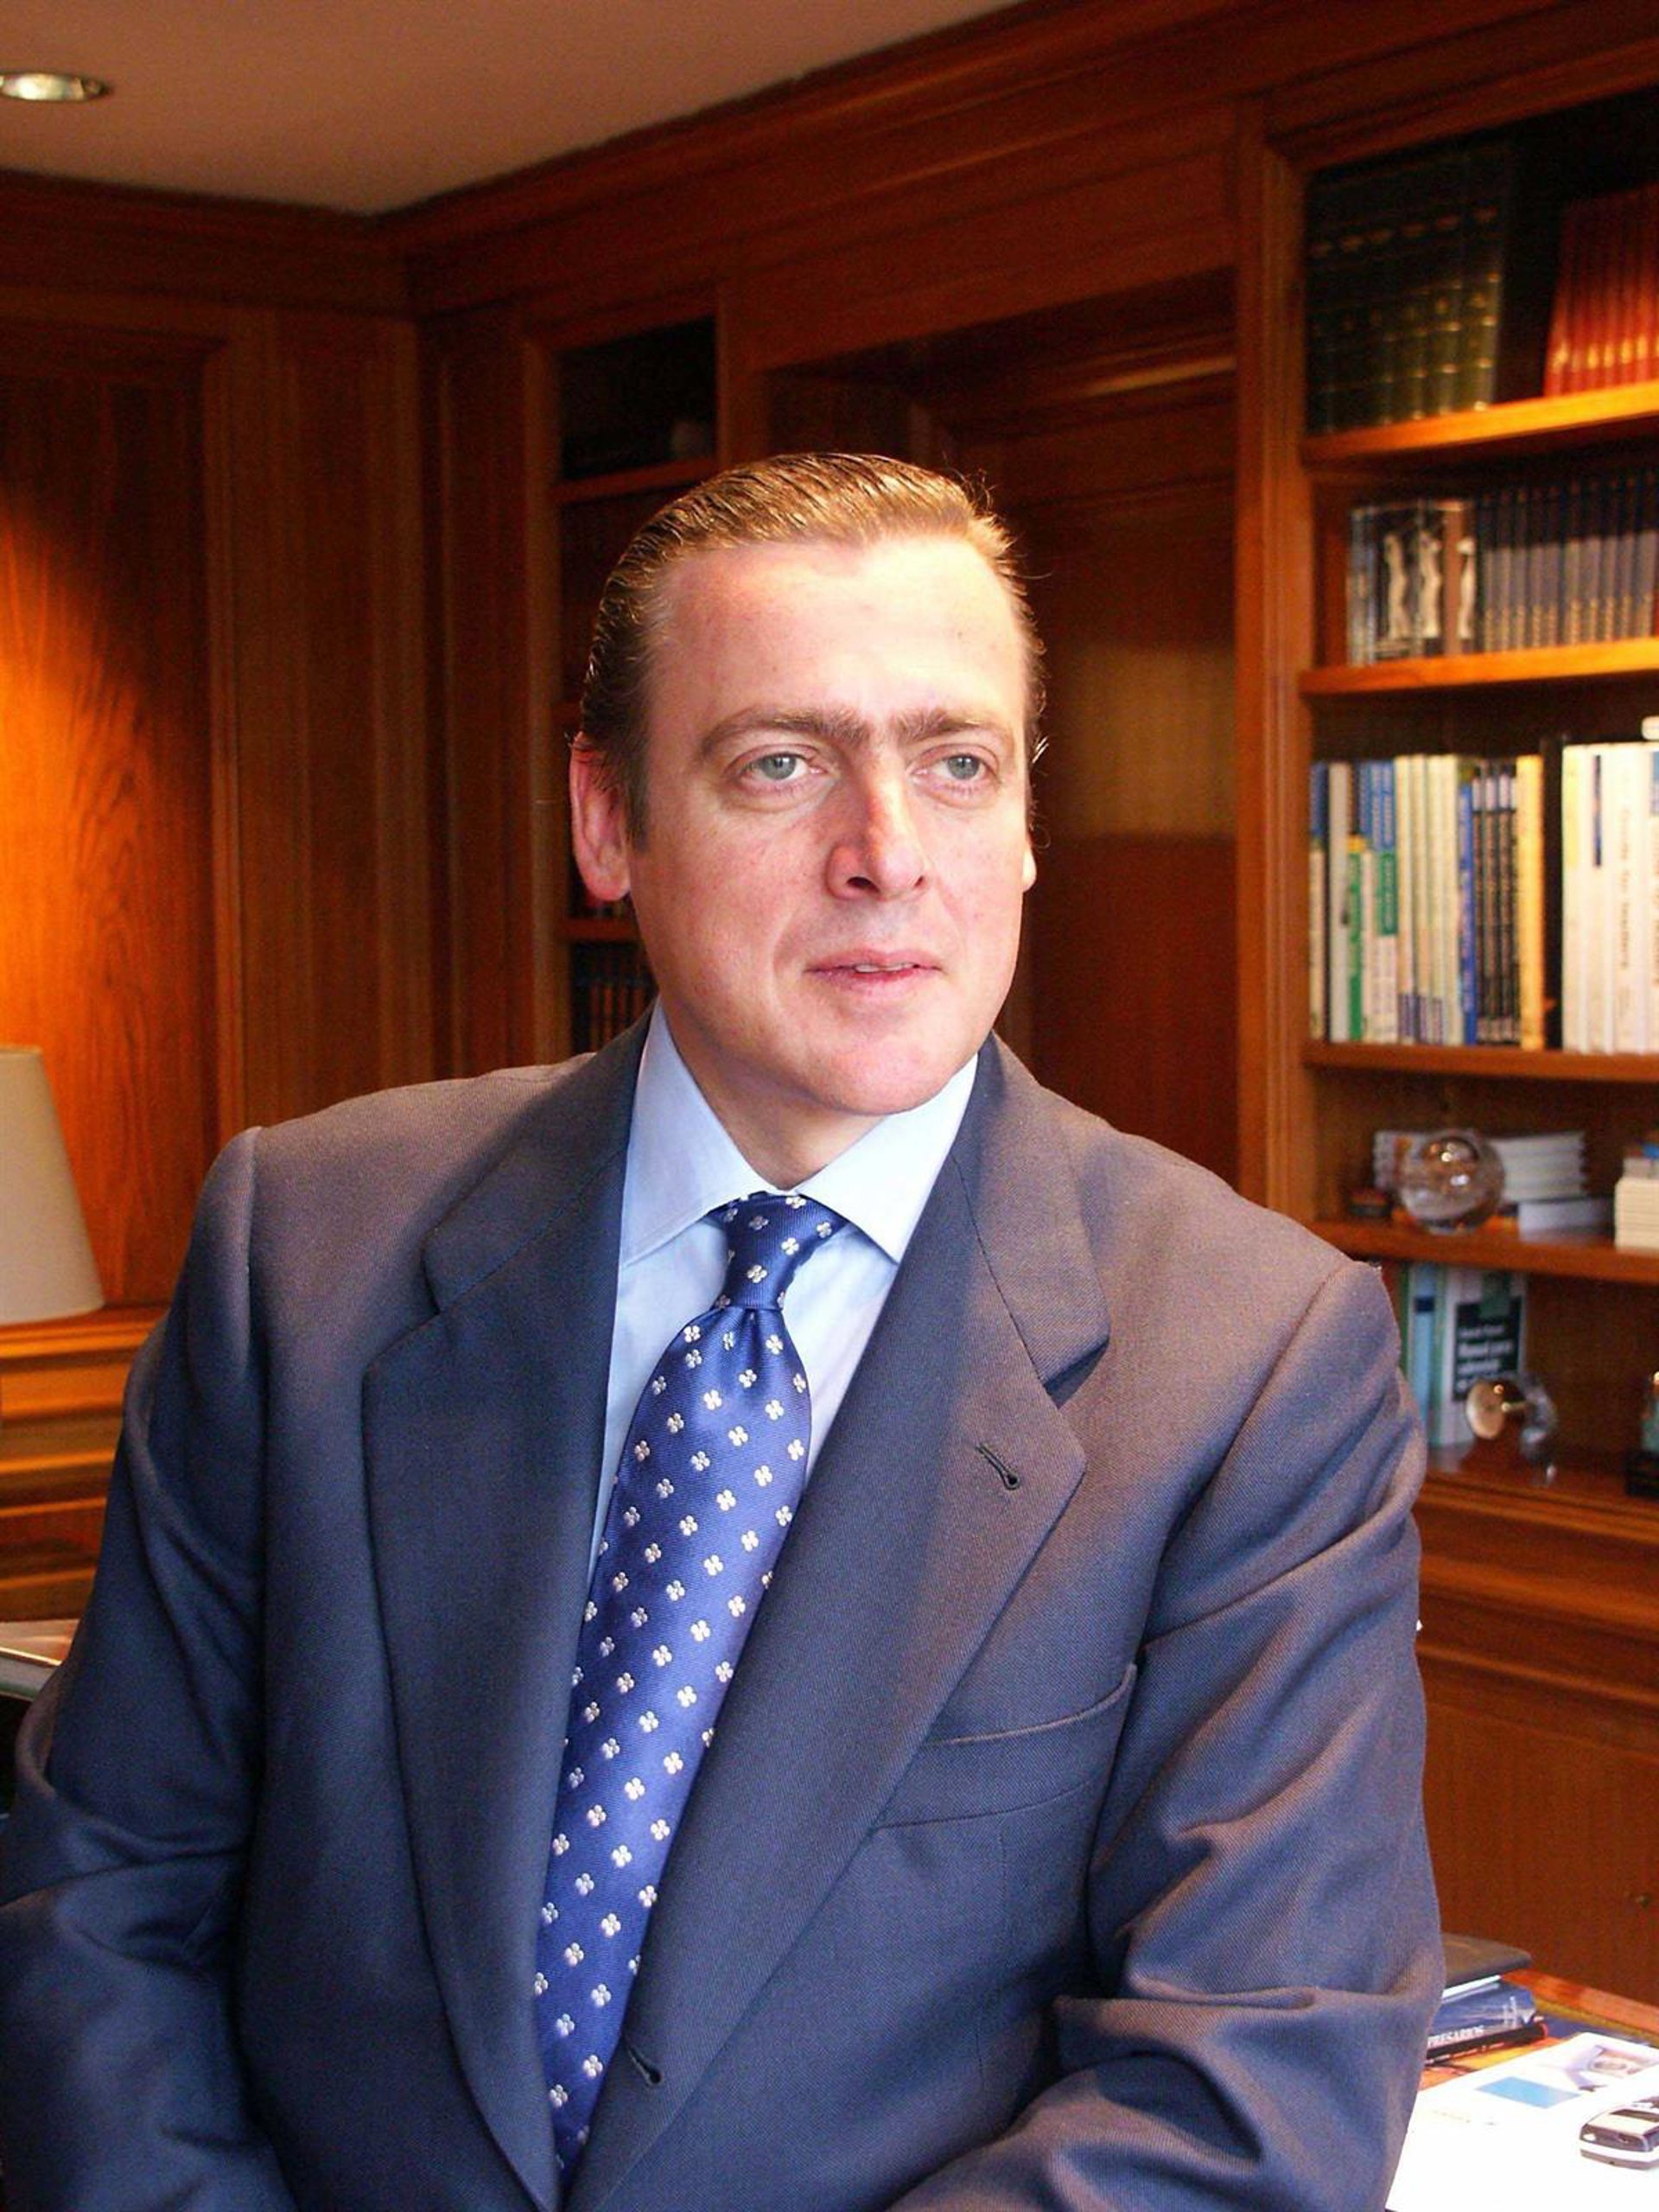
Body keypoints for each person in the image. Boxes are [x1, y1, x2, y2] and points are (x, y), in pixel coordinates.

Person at [0, 453, 1440, 2211]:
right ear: (608, 821)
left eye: (958, 762)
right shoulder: (301, 1246)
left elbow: (1250, 2078)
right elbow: (105, 1891)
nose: (886, 856)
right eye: (781, 762)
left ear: (1025, 821)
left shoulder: (1252, 1356)